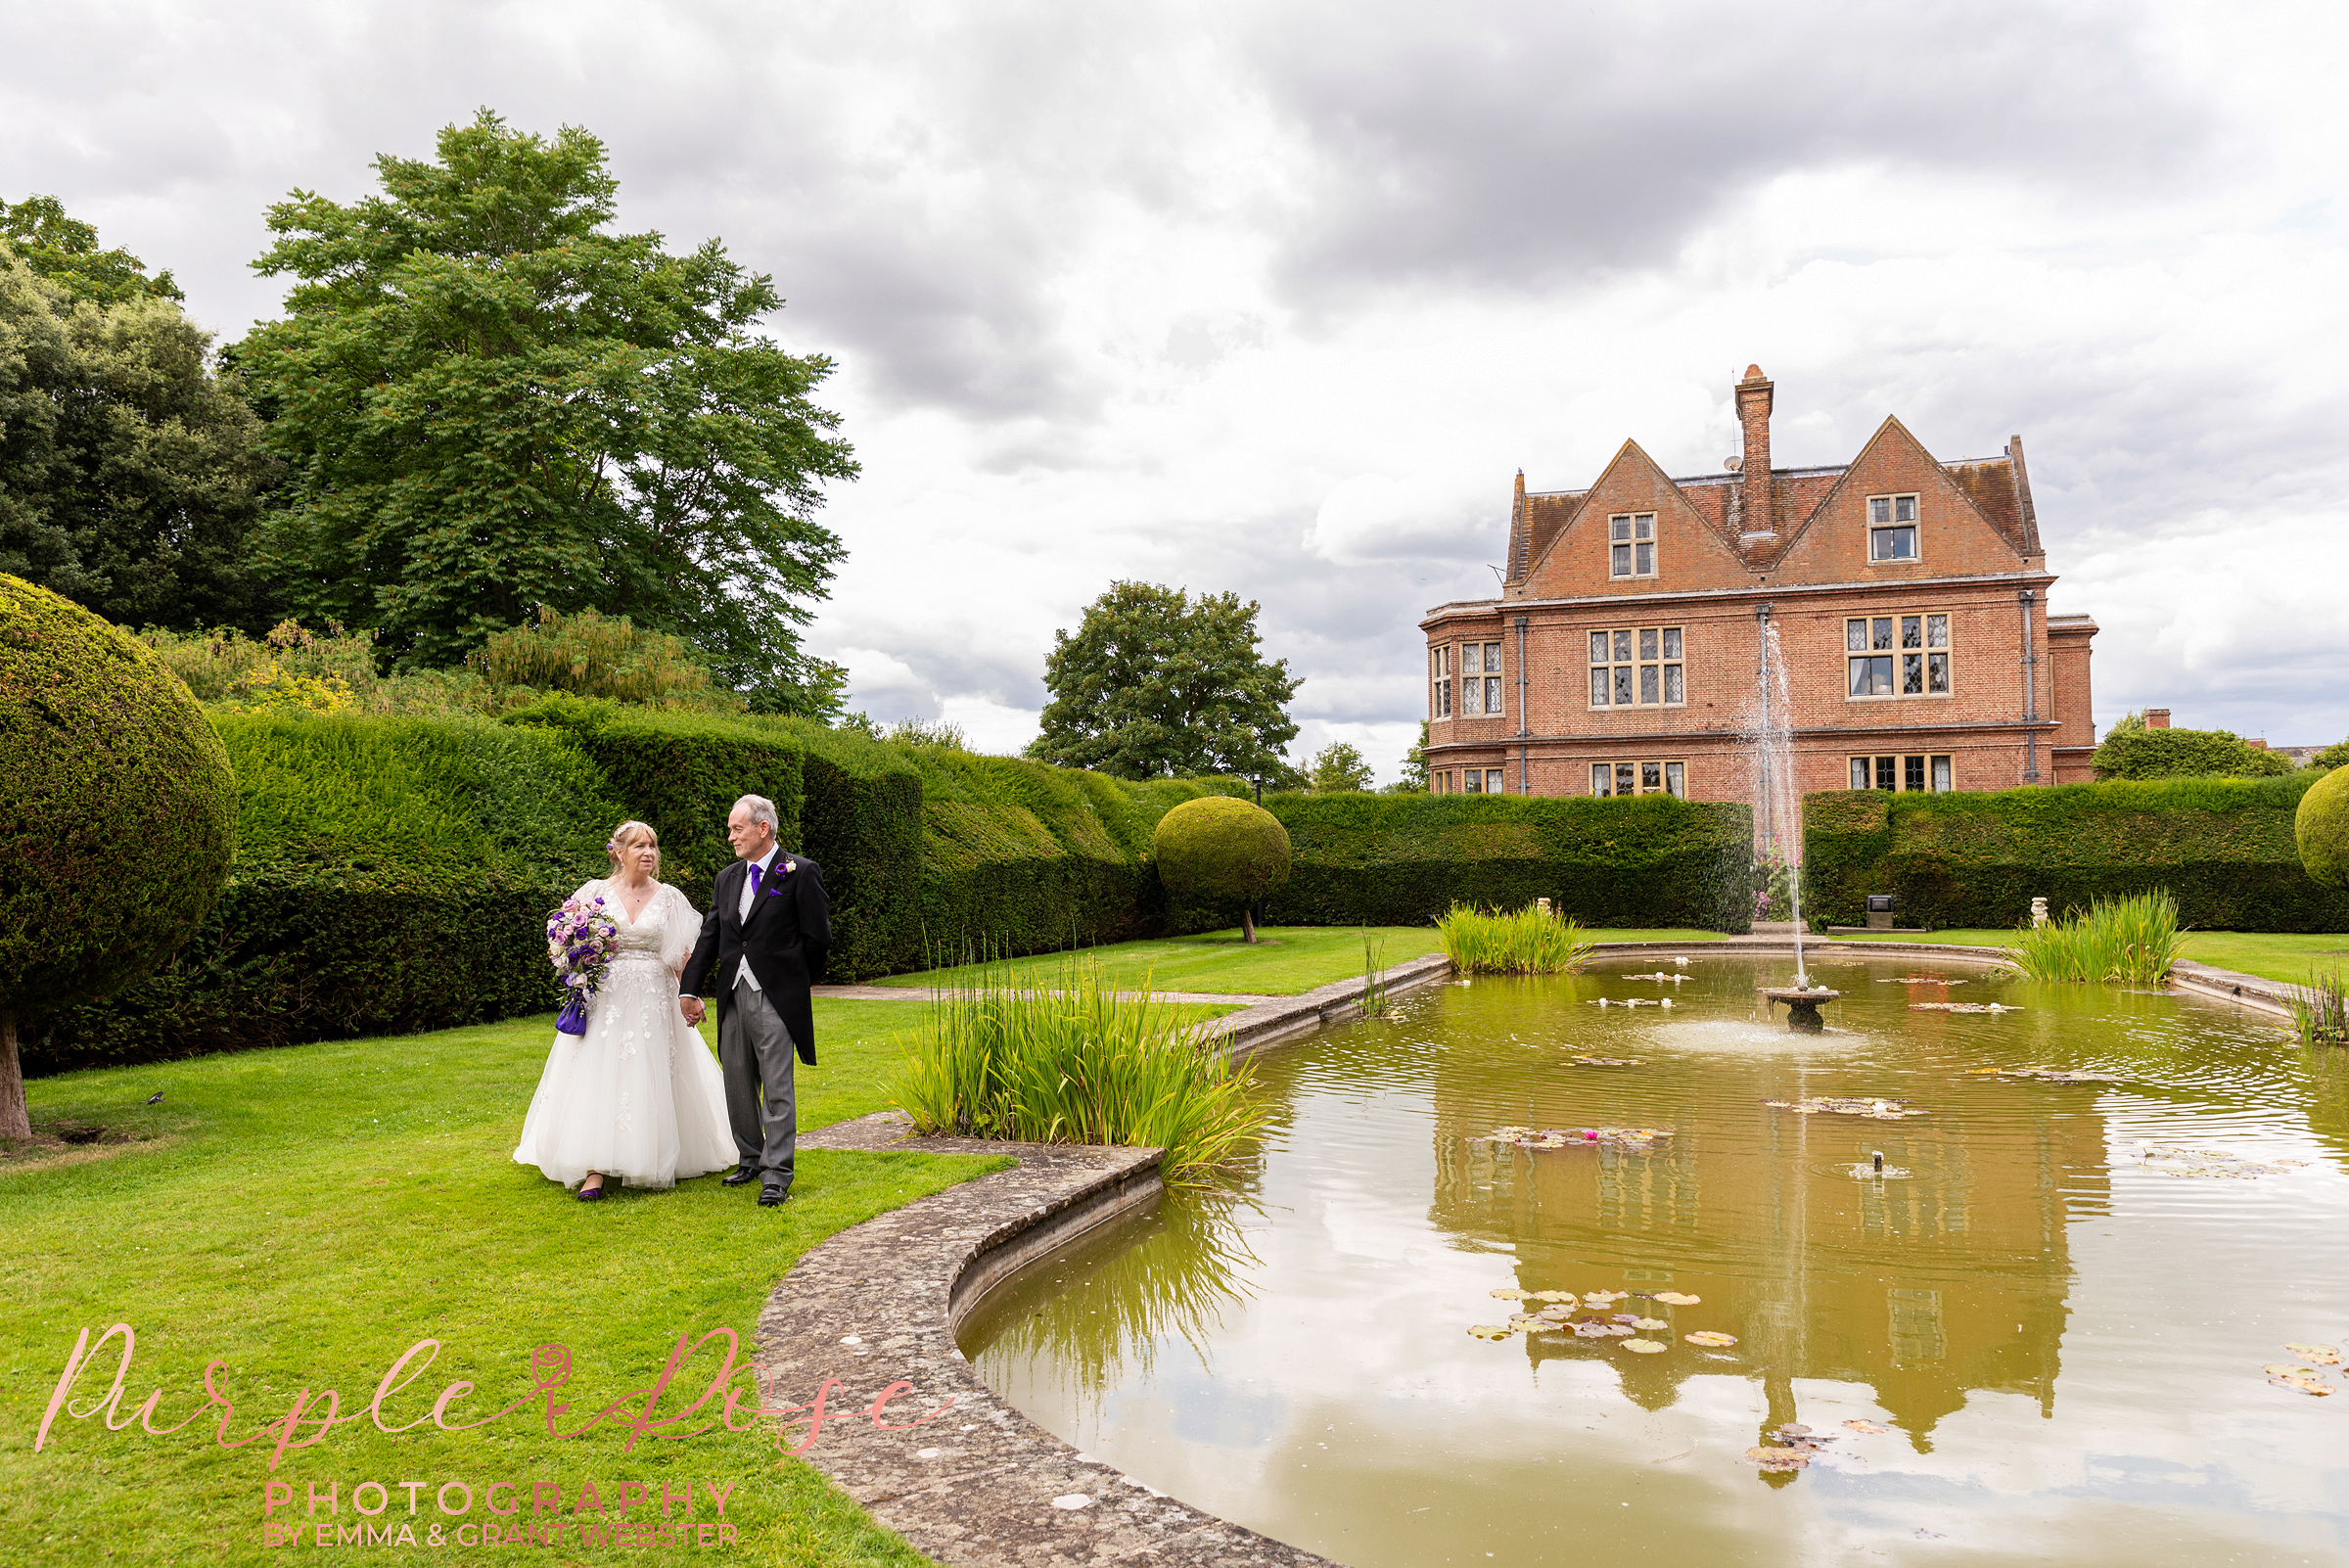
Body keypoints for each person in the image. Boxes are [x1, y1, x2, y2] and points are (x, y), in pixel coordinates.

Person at [512, 821, 736, 1199]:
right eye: (638, 846)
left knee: (651, 1073)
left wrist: (691, 995)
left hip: (655, 997)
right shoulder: (594, 893)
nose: (648, 853)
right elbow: (565, 942)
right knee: (598, 1074)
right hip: (606, 999)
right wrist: (577, 969)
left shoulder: (670, 898)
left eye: (652, 846)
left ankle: (653, 1154)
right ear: (618, 852)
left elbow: (682, 956)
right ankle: (593, 1170)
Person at [678, 794, 831, 1207]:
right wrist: (689, 988)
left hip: (775, 998)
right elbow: (711, 936)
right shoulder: (727, 878)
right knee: (737, 1082)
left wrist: (792, 981)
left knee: (777, 1086)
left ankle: (777, 1174)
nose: (730, 837)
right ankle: (750, 1158)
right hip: (733, 993)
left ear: (763, 828)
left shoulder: (800, 872)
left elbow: (818, 940)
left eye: (736, 828)